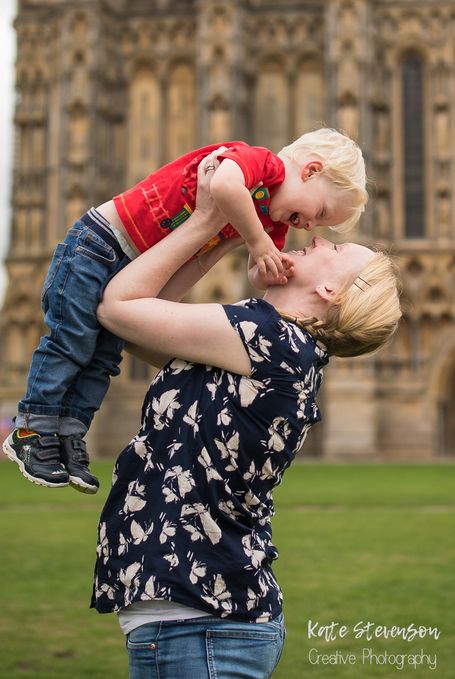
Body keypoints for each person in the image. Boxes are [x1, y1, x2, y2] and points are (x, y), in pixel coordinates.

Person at [91, 157, 401, 679]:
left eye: (338, 249)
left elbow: (117, 307)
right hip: (199, 617)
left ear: (332, 293)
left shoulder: (270, 340)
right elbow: (144, 323)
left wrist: (207, 220)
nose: (320, 239)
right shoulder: (274, 347)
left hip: (199, 623)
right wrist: (233, 238)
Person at [3, 128, 367, 494]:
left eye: (321, 226)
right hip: (103, 243)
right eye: (318, 213)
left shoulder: (270, 221)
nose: (309, 228)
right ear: (309, 170)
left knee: (103, 356)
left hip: (134, 261)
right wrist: (255, 240)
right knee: (72, 342)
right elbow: (224, 185)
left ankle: (69, 434)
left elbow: (258, 276)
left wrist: (268, 265)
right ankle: (33, 427)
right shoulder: (263, 164)